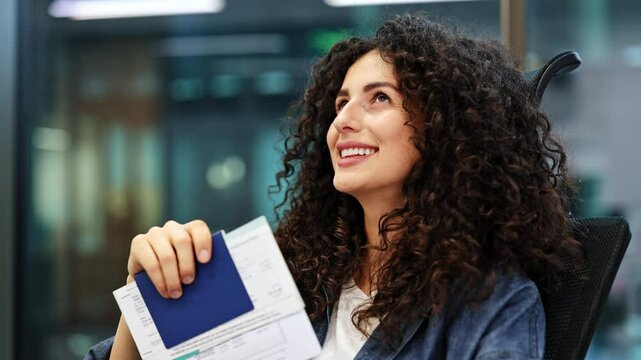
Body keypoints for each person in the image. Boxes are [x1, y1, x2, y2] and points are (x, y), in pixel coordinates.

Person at [86, 13, 581, 360]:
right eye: (341, 102)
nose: (342, 120)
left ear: (445, 129)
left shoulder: (489, 302)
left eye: (379, 98)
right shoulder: (287, 271)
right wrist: (145, 297)